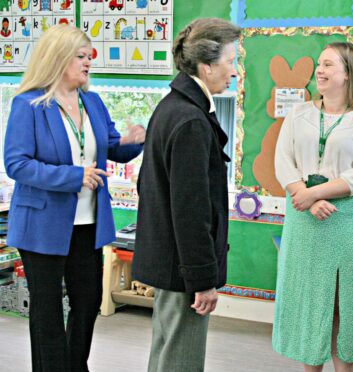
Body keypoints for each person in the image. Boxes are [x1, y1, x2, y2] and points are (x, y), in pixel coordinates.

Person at [3, 24, 144, 372]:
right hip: (41, 223)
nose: (87, 63)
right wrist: (72, 177)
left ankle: (72, 365)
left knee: (88, 301)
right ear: (58, 59)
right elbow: (16, 164)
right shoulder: (29, 104)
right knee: (47, 308)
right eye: (80, 57)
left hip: (88, 223)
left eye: (89, 56)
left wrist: (132, 141)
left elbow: (109, 147)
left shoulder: (92, 102)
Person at [132, 18, 240, 372]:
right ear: (206, 66)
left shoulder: (171, 108)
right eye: (230, 61)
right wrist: (203, 280)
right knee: (181, 360)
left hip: (172, 261)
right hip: (184, 269)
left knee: (166, 351)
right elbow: (191, 210)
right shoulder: (191, 120)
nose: (234, 71)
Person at [273, 42, 353, 371]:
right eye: (319, 65)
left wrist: (314, 194)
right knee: (311, 301)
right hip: (304, 217)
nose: (319, 71)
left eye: (328, 65)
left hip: (344, 218)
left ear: (349, 74)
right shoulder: (299, 113)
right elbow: (284, 161)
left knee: (341, 303)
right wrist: (305, 198)